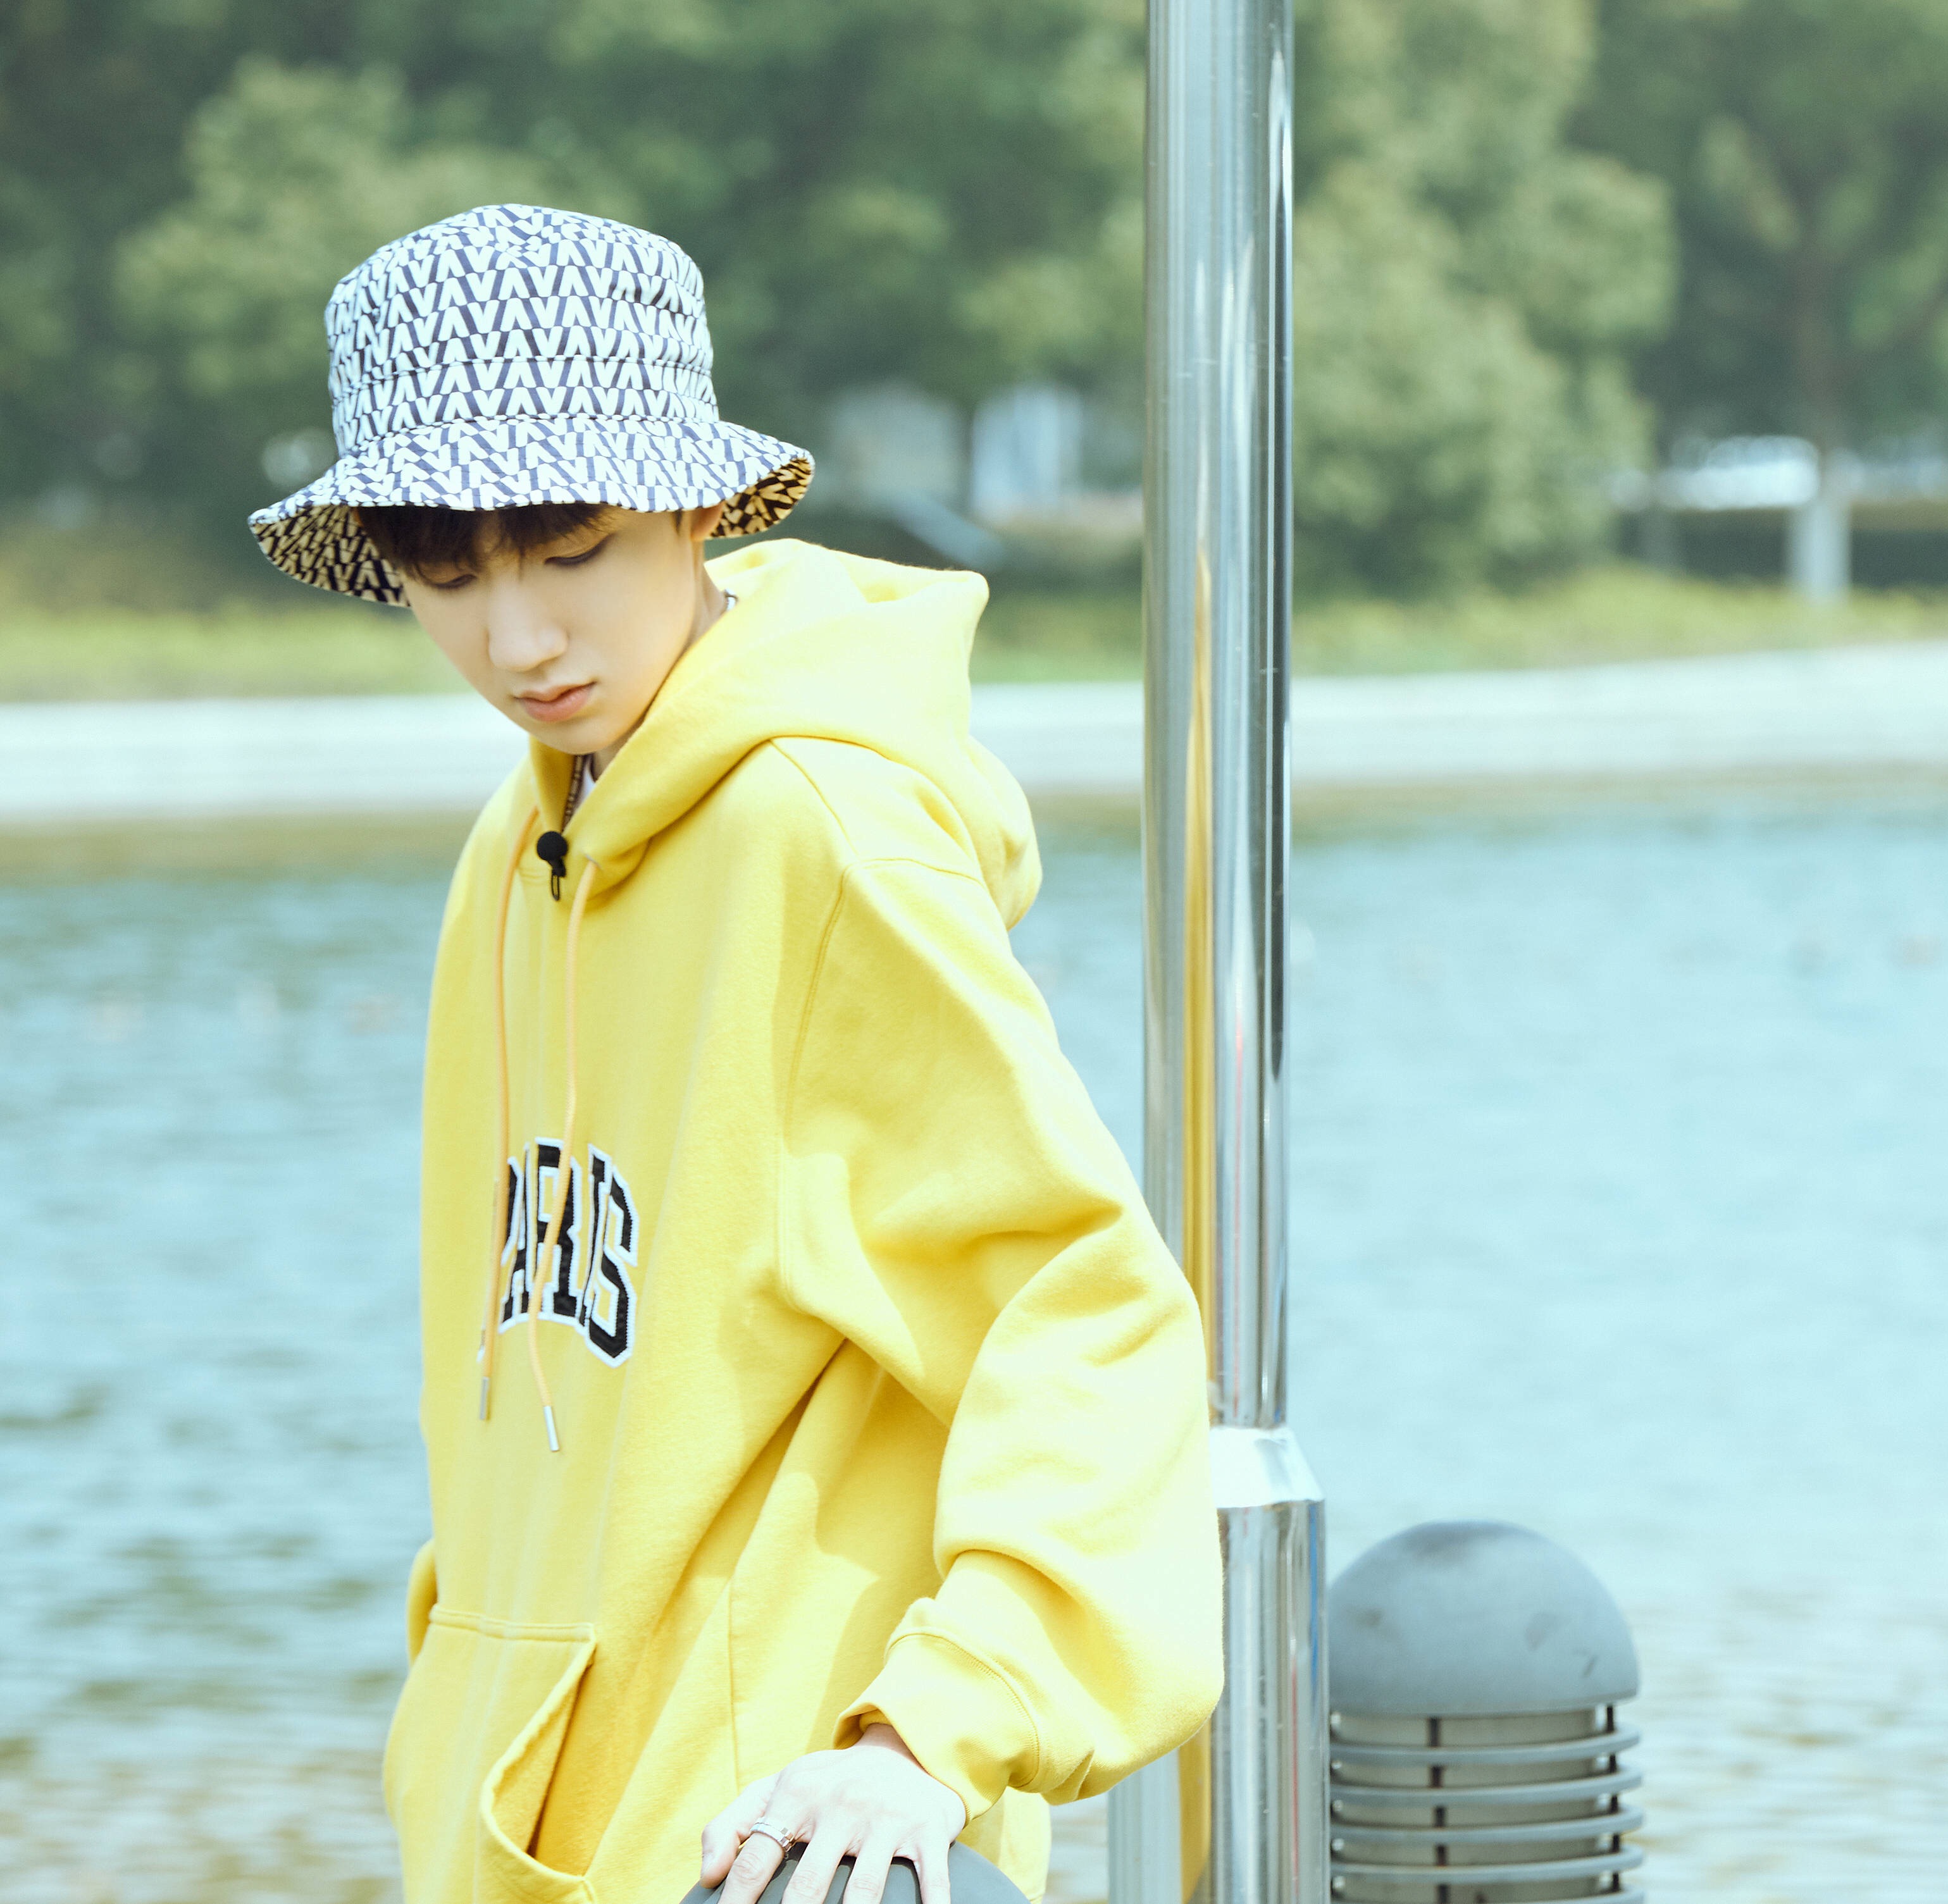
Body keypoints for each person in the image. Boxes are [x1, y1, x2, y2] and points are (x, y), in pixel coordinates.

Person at [248, 203, 1222, 1904]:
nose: (517, 639)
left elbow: (1086, 1311)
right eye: (447, 572)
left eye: (570, 549)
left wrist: (926, 1734)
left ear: (695, 507)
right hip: (519, 1837)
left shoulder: (819, 832)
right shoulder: (517, 848)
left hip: (774, 1849)